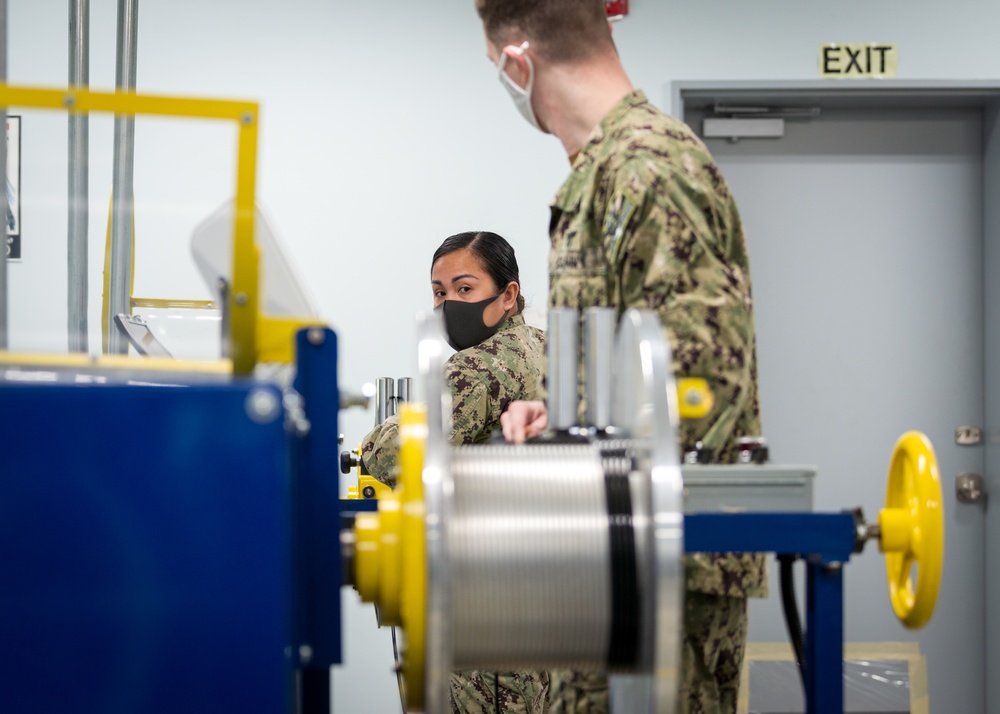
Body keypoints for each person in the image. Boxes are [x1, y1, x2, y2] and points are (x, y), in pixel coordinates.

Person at [474, 2, 766, 713]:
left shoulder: (647, 171)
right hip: (610, 573)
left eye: (496, 70)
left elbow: (700, 400)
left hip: (660, 587)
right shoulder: (600, 175)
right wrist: (567, 412)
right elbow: (645, 368)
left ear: (519, 63)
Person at [361, 230, 550, 713]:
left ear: (508, 295)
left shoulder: (483, 366)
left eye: (465, 289)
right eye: (439, 292)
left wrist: (373, 438)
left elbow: (393, 453)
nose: (449, 303)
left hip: (484, 615)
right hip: (548, 599)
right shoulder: (546, 349)